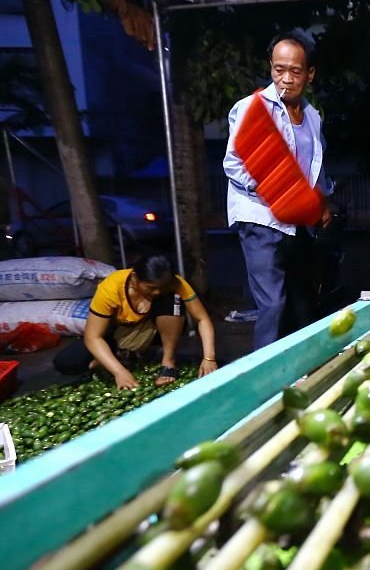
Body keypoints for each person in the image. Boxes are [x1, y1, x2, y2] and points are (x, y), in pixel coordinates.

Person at [223, 28, 335, 351]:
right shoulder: (252, 109)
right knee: (272, 304)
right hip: (260, 217)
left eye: (295, 71)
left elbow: (314, 166)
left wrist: (322, 200)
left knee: (302, 303)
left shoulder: (312, 118)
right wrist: (275, 188)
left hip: (298, 220)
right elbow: (233, 165)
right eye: (278, 69)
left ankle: (299, 369)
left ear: (309, 74)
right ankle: (264, 380)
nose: (285, 78)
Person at [53, 254, 218, 390]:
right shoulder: (111, 287)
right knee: (67, 362)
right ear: (134, 278)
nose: (157, 291)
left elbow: (202, 319)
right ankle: (120, 357)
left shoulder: (174, 284)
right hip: (119, 334)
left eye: (162, 286)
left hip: (161, 330)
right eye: (150, 287)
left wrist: (209, 358)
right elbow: (93, 337)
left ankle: (168, 361)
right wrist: (118, 372)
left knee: (170, 297)